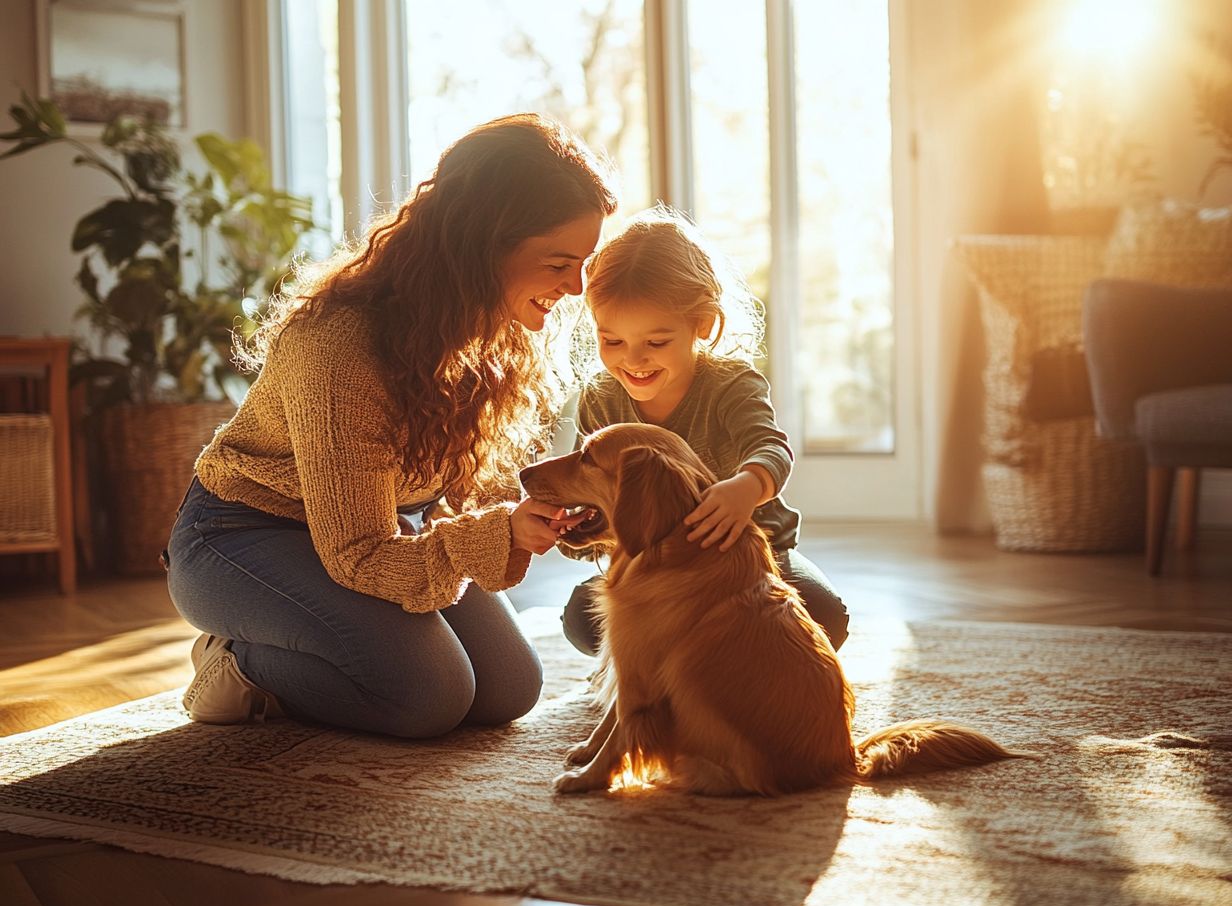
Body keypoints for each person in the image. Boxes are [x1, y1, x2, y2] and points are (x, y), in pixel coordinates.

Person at [165, 113, 618, 738]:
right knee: (428, 696)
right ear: (482, 245)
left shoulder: (493, 333)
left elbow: (455, 499)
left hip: (375, 531)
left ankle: (315, 641)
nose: (574, 287)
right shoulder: (338, 344)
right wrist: (494, 536)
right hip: (242, 535)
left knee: (510, 687)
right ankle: (238, 661)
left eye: (583, 263)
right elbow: (357, 554)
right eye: (559, 263)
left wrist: (517, 525)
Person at [553, 205, 850, 656]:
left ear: (702, 325)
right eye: (612, 341)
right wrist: (573, 521)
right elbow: (592, 489)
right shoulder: (602, 398)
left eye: (656, 342)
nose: (633, 359)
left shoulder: (731, 384)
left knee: (823, 617)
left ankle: (711, 666)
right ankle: (685, 664)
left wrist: (745, 489)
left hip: (750, 560)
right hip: (653, 566)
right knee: (583, 619)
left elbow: (770, 447)